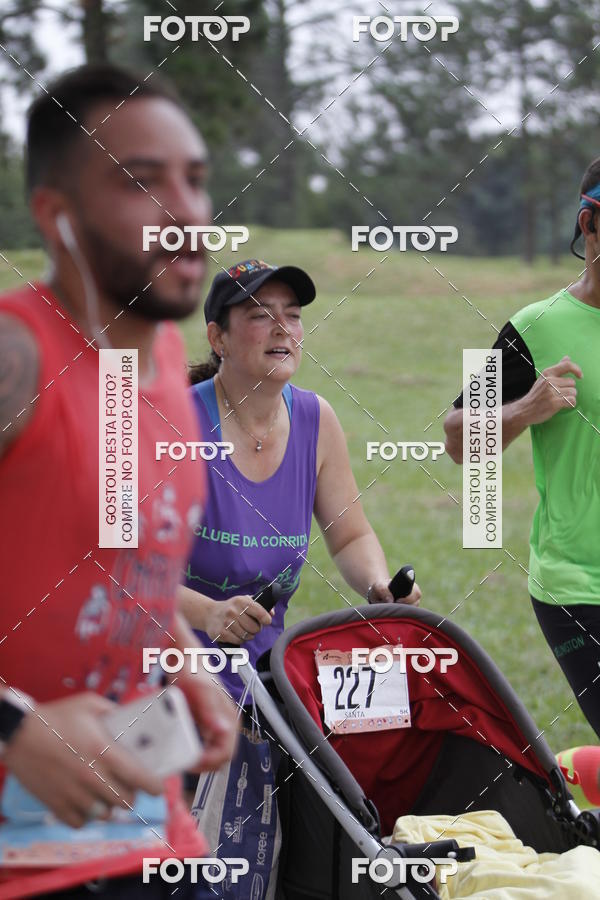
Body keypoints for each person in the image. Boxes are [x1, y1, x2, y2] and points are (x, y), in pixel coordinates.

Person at [0, 64, 237, 898]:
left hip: (139, 837)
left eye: (197, 180)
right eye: (142, 182)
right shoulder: (14, 360)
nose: (187, 213)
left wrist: (188, 668)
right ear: (57, 216)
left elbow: (118, 556)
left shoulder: (157, 361)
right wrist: (11, 728)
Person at [177, 257, 421, 896]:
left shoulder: (316, 419)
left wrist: (376, 586)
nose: (282, 328)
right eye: (259, 315)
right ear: (218, 337)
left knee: (373, 739)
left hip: (266, 669)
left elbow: (350, 532)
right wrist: (207, 614)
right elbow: (115, 570)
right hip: (167, 659)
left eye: (292, 315)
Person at [443, 158, 600, 738]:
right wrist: (526, 409)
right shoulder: (535, 328)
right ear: (590, 224)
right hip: (581, 587)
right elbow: (459, 437)